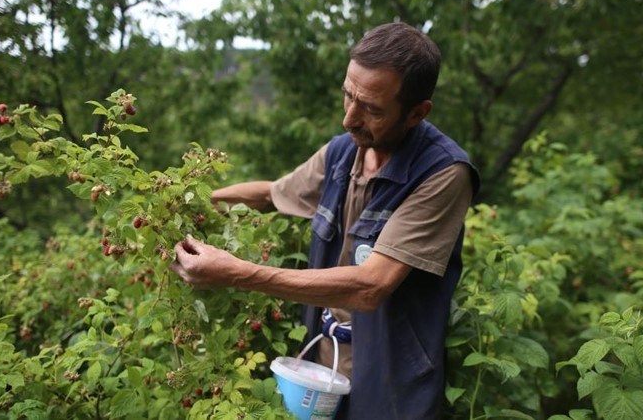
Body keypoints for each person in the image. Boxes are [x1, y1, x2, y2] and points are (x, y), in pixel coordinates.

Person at [170, 22, 479, 419]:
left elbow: (371, 286)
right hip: (322, 371)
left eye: (371, 108)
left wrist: (236, 272)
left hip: (390, 382)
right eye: (348, 96)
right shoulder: (342, 154)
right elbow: (271, 195)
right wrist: (187, 200)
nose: (349, 119)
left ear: (417, 112)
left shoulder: (442, 173)